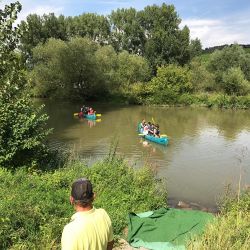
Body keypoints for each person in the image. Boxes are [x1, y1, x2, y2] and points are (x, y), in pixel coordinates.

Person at [61, 178, 114, 250]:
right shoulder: (103, 214)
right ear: (94, 196)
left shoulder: (69, 230)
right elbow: (110, 243)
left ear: (71, 199)